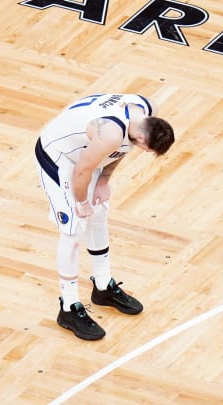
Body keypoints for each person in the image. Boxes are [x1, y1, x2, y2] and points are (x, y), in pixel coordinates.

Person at [34, 93, 175, 340]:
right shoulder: (109, 133)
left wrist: (105, 180)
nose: (142, 151)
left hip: (88, 154)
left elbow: (122, 149)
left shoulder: (146, 108)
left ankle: (102, 287)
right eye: (146, 149)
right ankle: (68, 307)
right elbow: (82, 171)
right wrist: (80, 202)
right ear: (142, 137)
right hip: (60, 157)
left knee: (99, 214)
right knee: (73, 230)